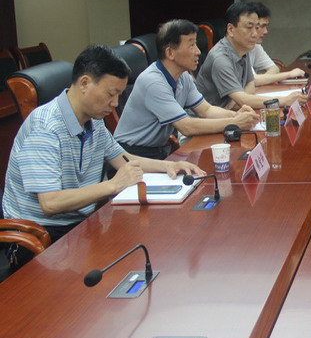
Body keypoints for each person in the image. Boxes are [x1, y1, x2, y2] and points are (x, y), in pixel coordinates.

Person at [2, 45, 205, 251]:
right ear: (84, 83)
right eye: (111, 94)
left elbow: (123, 158)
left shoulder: (94, 120)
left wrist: (168, 166)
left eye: (119, 95)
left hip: (81, 225)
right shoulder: (45, 127)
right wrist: (114, 185)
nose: (115, 103)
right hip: (42, 236)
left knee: (156, 241)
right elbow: (50, 203)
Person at [114, 19, 260, 159]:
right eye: (191, 45)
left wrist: (236, 116)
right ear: (170, 53)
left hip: (158, 150)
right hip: (132, 154)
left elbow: (206, 110)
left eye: (196, 44)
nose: (198, 51)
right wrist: (235, 123)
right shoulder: (153, 82)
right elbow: (187, 127)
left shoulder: (183, 76)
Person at [195, 1, 305, 110]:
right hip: (209, 118)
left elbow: (250, 87)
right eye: (249, 27)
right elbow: (243, 99)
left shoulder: (244, 50)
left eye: (256, 28)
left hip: (232, 111)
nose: (255, 34)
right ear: (230, 29)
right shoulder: (220, 59)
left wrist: (240, 100)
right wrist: (285, 100)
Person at [250, 2, 307, 86]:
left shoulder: (255, 46)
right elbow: (252, 81)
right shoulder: (235, 50)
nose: (266, 31)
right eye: (261, 26)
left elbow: (274, 68)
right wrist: (289, 74)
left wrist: (265, 79)